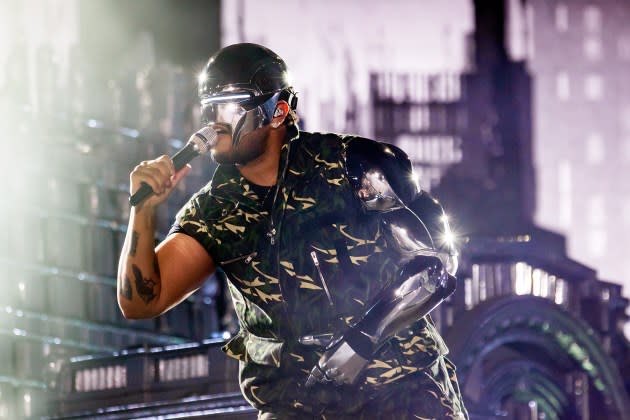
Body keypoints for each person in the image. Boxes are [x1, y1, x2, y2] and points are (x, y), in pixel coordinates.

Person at [117, 43, 468, 419]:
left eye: (233, 106)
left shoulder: (351, 166)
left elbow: (436, 259)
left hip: (401, 390)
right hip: (295, 405)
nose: (214, 121)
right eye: (210, 106)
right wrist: (143, 211)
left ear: (278, 111)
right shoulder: (214, 211)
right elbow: (142, 302)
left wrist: (363, 340)